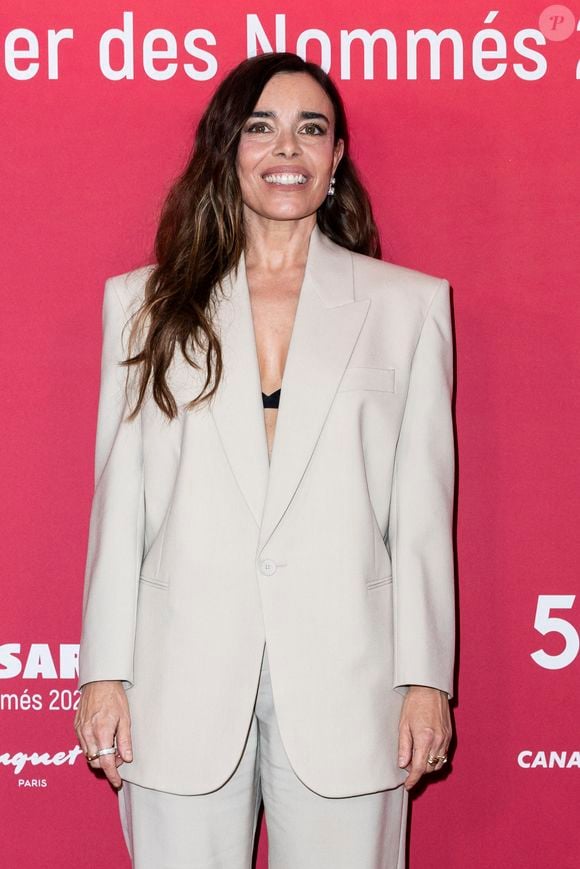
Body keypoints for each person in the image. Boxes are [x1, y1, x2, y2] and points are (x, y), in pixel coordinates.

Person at [74, 51, 456, 869]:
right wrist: (103, 670)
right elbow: (121, 505)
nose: (288, 148)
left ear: (336, 157)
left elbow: (423, 515)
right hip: (177, 677)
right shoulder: (142, 306)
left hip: (353, 680)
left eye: (311, 129)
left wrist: (427, 679)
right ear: (228, 148)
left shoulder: (409, 307)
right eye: (262, 128)